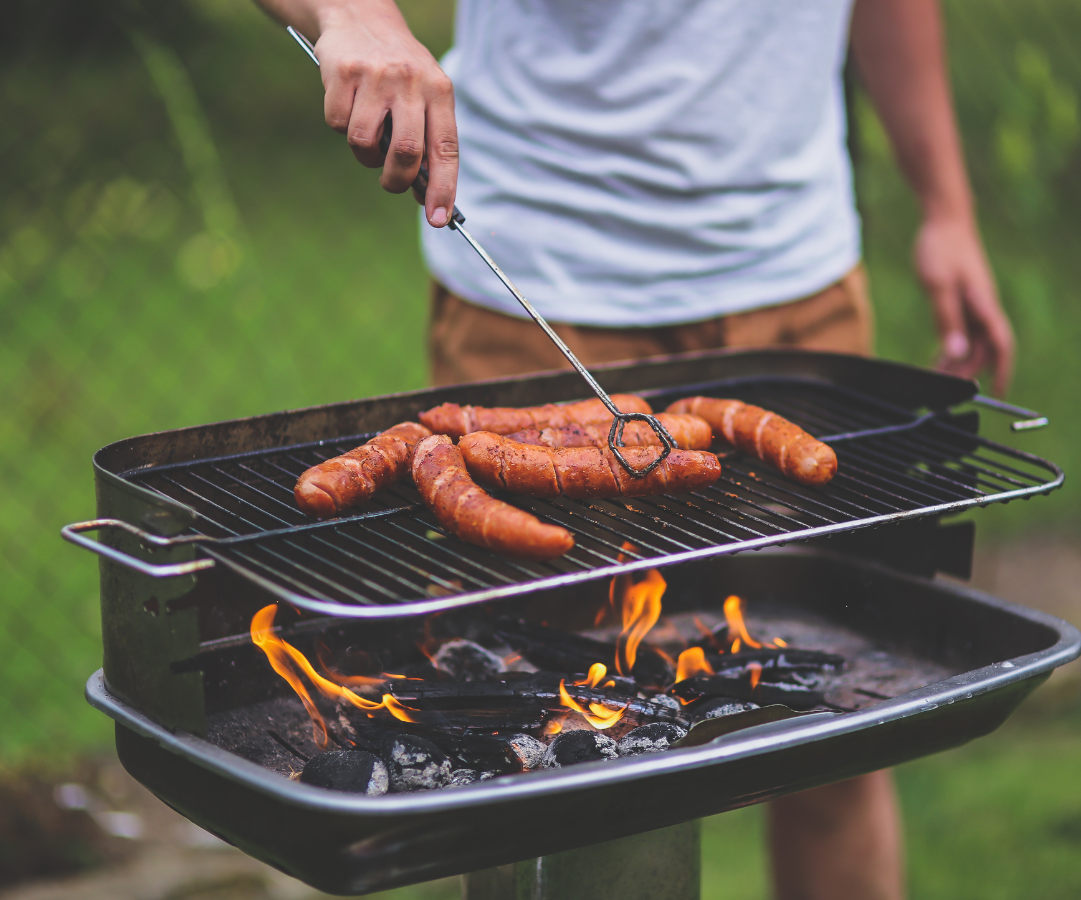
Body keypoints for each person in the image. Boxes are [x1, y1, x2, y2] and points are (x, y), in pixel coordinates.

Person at [254, 2, 1014, 897]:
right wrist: (353, 16)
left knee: (834, 724)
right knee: (526, 748)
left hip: (797, 282)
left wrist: (946, 207)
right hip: (537, 281)